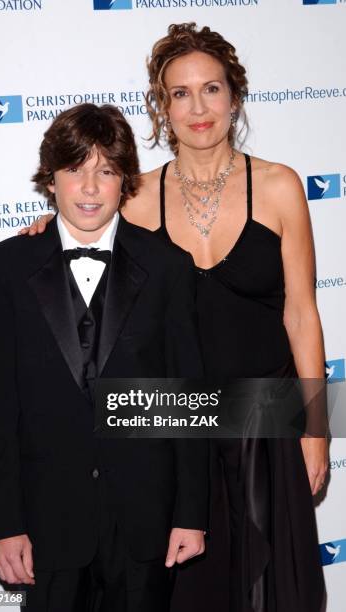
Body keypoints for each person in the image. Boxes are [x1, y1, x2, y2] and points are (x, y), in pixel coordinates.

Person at [24, 23, 329, 612]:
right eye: (180, 93)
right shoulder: (135, 198)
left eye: (211, 89)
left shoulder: (280, 186)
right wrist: (45, 232)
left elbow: (302, 314)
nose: (198, 107)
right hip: (175, 426)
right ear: (162, 107)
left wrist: (315, 430)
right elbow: (82, 223)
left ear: (234, 97)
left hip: (265, 422)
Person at [0, 102, 210, 612]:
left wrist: (191, 512)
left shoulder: (168, 267)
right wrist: (4, 524)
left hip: (146, 520)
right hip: (46, 524)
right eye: (75, 170)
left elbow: (188, 398)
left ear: (124, 181)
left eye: (106, 171)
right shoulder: (2, 270)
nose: (91, 187)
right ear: (50, 181)